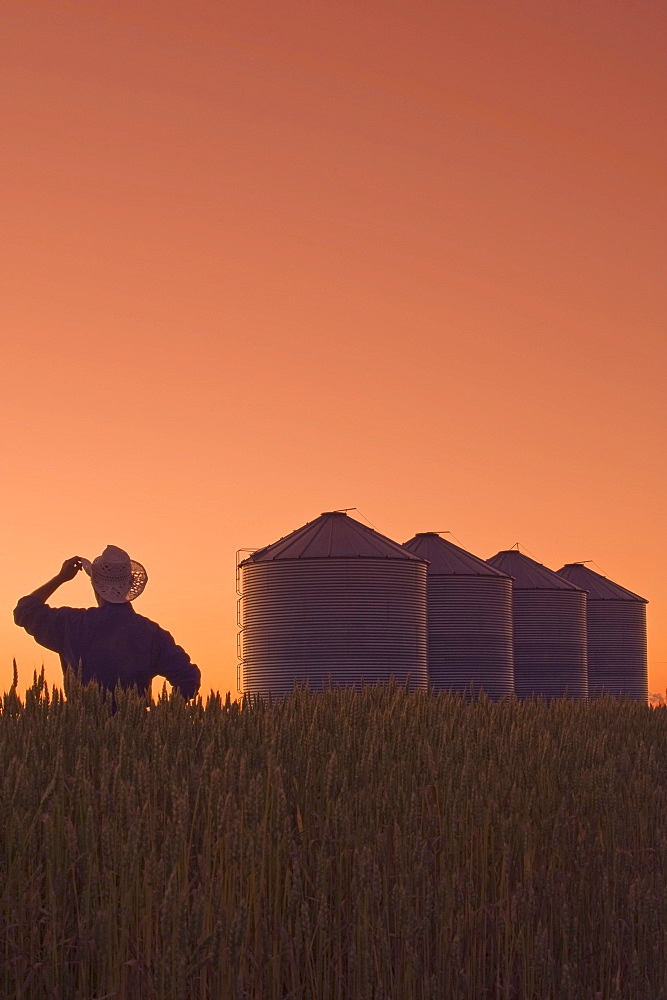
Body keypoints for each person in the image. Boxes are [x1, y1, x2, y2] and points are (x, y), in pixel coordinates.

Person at [14, 545, 201, 700]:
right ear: (129, 586)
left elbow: (25, 610)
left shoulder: (72, 624)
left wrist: (60, 578)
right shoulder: (152, 634)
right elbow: (188, 680)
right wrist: (155, 723)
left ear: (95, 586)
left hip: (78, 733)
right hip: (133, 737)